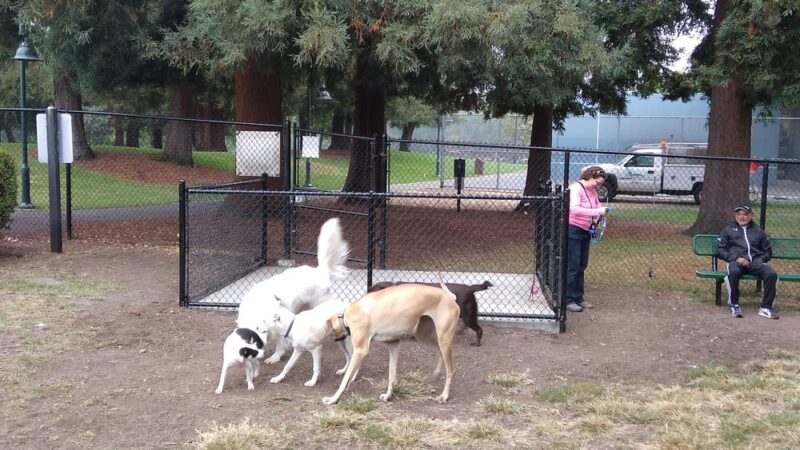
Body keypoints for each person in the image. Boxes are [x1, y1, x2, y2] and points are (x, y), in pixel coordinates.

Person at [717, 204, 779, 319]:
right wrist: (736, 258)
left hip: (756, 262)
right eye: (739, 214)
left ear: (750, 216)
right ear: (735, 215)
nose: (742, 217)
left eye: (745, 214)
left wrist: (760, 259)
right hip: (736, 261)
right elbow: (720, 250)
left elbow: (768, 252)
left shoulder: (758, 231)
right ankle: (734, 304)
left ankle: (766, 307)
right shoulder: (728, 230)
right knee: (733, 273)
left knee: (771, 274)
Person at [566, 166, 611, 312]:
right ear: (590, 176)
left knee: (582, 265)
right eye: (597, 183)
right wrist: (596, 211)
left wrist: (601, 212)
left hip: (586, 231)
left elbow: (597, 205)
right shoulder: (576, 189)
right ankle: (568, 300)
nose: (598, 186)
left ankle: (579, 298)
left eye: (600, 184)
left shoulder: (592, 191)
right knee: (572, 266)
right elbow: (574, 209)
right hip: (574, 230)